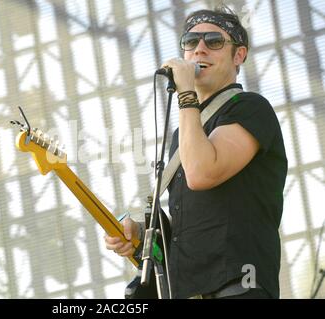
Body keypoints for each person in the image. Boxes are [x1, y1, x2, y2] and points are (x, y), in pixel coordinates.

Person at [104, 5, 288, 299]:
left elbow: (203, 173)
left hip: (239, 289)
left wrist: (186, 93)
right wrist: (141, 233)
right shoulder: (185, 133)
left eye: (214, 42)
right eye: (191, 42)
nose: (199, 50)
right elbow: (194, 226)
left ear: (238, 55)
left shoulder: (251, 108)